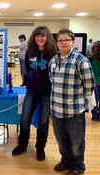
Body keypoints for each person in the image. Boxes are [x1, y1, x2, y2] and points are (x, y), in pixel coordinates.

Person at [49, 28, 95, 175]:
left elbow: (89, 85)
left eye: (66, 40)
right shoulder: (53, 60)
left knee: (76, 141)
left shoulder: (81, 61)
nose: (63, 43)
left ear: (73, 42)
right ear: (57, 43)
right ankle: (66, 160)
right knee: (61, 140)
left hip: (74, 110)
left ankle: (78, 166)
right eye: (60, 40)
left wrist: (79, 100)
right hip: (56, 109)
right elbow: (52, 80)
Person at [12, 26, 57, 161]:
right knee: (24, 119)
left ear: (47, 37)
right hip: (31, 90)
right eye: (37, 36)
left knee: (43, 122)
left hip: (46, 92)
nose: (40, 38)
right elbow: (27, 68)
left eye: (42, 36)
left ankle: (40, 148)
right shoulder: (29, 52)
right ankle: (22, 145)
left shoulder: (53, 54)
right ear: (34, 38)